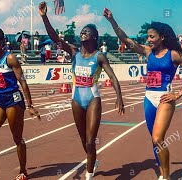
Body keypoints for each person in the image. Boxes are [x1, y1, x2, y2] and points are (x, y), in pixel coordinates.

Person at [104, 8, 182, 180]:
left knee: (157, 138)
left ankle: (166, 177)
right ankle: (163, 172)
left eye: (152, 37)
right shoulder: (147, 52)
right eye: (148, 37)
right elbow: (124, 38)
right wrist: (111, 20)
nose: (148, 40)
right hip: (148, 98)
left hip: (164, 99)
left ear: (162, 37)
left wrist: (179, 94)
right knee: (154, 140)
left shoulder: (174, 54)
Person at [39, 2, 125, 180]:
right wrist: (44, 17)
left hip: (93, 98)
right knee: (83, 141)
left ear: (94, 37)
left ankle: (89, 172)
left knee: (89, 140)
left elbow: (113, 77)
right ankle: (93, 159)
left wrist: (119, 98)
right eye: (82, 31)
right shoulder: (74, 52)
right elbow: (55, 38)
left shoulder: (99, 57)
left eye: (86, 32)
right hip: (76, 99)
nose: (82, 33)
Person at [0, 26, 41, 180]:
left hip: (13, 100)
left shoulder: (10, 58)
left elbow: (22, 81)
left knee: (17, 138)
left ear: (1, 42)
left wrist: (30, 105)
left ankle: (22, 170)